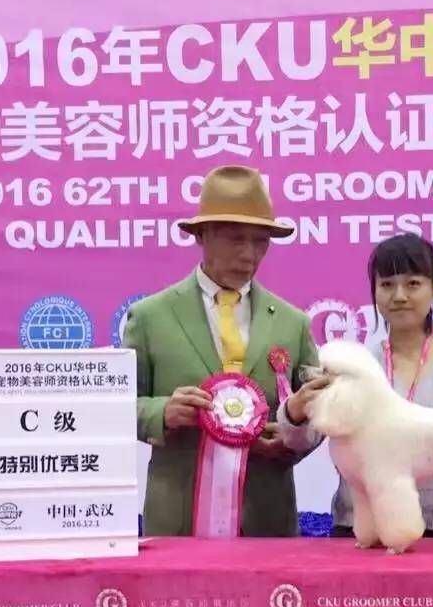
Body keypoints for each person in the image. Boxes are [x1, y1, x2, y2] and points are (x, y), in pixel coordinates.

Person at [121, 165, 321, 536]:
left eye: (261, 241)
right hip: (178, 524)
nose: (249, 255)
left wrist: (293, 436)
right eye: (235, 239)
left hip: (267, 525)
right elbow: (113, 409)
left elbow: (320, 415)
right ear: (202, 235)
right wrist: (162, 412)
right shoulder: (149, 318)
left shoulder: (294, 323)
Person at [280, 233, 433, 537]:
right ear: (374, 292)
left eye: (413, 284)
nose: (399, 295)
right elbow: (302, 440)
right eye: (387, 284)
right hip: (359, 532)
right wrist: (294, 413)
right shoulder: (351, 366)